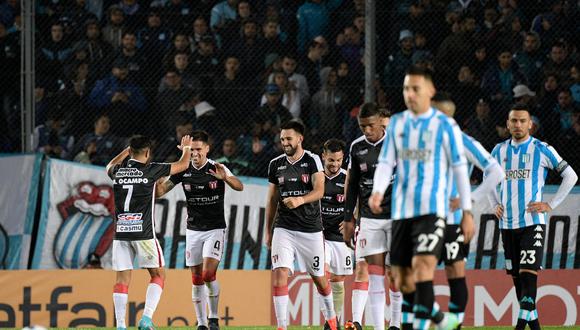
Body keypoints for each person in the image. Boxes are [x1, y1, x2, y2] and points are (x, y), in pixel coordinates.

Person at [369, 66, 475, 330]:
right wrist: (378, 191)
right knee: (403, 280)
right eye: (406, 88)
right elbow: (385, 162)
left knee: (423, 270)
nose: (410, 94)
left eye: (415, 88)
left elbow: (461, 169)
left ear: (430, 91)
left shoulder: (445, 125)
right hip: (403, 213)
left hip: (433, 211)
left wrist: (467, 212)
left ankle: (424, 325)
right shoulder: (398, 124)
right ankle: (440, 319)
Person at [490, 104, 578, 330]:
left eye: (522, 121)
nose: (517, 125)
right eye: (513, 121)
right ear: (508, 124)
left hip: (532, 224)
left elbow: (571, 175)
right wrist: (494, 204)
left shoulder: (541, 149)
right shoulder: (498, 151)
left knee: (528, 279)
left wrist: (550, 204)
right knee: (520, 286)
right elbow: (487, 178)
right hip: (507, 225)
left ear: (530, 124)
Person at [155, 130, 243, 330]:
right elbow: (160, 192)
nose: (195, 153)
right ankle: (202, 324)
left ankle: (213, 317)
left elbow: (240, 186)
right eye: (191, 149)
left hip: (215, 229)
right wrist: (157, 182)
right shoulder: (182, 170)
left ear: (207, 149)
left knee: (208, 274)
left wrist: (226, 178)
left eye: (198, 149)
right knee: (196, 279)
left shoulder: (217, 167)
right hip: (194, 230)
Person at [431, 93, 504, 328]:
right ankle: (440, 321)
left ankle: (455, 325)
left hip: (452, 222)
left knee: (455, 274)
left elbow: (496, 172)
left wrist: (469, 200)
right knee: (411, 277)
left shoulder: (463, 141)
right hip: (421, 220)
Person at [106, 134, 194, 330]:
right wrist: (187, 149)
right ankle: (146, 319)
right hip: (143, 233)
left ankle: (120, 325)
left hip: (121, 233)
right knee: (158, 275)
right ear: (147, 152)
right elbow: (183, 165)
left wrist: (126, 152)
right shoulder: (151, 169)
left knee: (122, 279)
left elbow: (108, 166)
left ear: (130, 152)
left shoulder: (117, 171)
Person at [265, 121, 338, 330]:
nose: (284, 143)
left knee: (320, 279)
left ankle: (332, 319)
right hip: (284, 227)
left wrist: (300, 200)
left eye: (288, 139)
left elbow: (320, 190)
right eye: (282, 139)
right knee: (279, 274)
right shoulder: (275, 164)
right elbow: (271, 200)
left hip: (310, 229)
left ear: (300, 139)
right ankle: (282, 327)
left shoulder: (313, 160)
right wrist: (268, 231)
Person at [342, 103, 401, 330]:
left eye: (371, 126)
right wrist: (349, 219)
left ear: (380, 123)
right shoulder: (356, 148)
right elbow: (353, 184)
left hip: (396, 217)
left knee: (394, 273)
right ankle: (378, 327)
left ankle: (395, 324)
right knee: (375, 275)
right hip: (369, 219)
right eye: (362, 126)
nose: (367, 130)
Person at [320, 138, 352, 327]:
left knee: (338, 280)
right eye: (331, 160)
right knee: (322, 277)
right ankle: (332, 320)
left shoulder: (347, 178)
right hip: (319, 235)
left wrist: (351, 220)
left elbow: (358, 203)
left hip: (340, 237)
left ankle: (331, 323)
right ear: (324, 156)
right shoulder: (315, 177)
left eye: (339, 160)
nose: (335, 164)